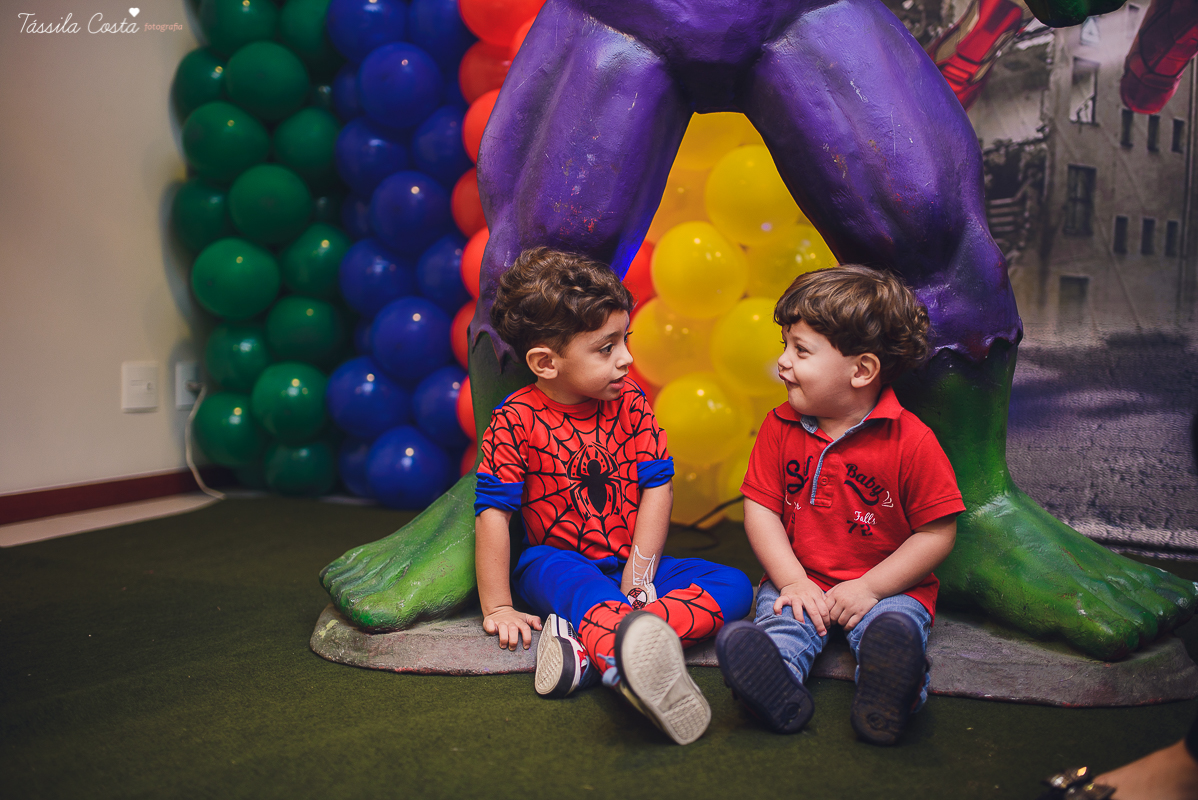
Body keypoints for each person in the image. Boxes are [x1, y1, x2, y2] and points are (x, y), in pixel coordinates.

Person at [473, 247, 754, 746]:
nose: (626, 358)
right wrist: (497, 607)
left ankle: (590, 651)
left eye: (625, 339)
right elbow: (494, 510)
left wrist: (640, 575)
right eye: (606, 348)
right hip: (557, 561)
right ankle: (631, 664)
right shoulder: (514, 418)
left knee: (734, 584)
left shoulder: (633, 405)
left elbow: (656, 487)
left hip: (629, 564)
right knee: (565, 578)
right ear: (546, 362)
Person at [715, 265, 964, 746]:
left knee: (891, 632)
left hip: (887, 589)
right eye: (783, 345)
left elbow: (938, 532)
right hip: (800, 579)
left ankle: (892, 692)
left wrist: (871, 588)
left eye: (800, 350)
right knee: (781, 627)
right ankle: (773, 688)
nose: (783, 363)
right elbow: (760, 509)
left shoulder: (911, 441)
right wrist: (791, 580)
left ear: (862, 370)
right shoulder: (779, 426)